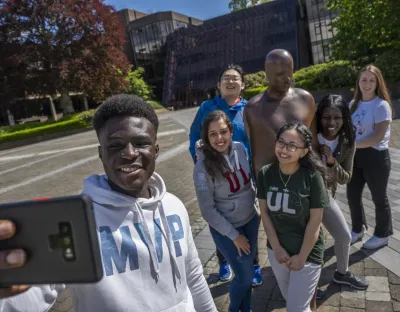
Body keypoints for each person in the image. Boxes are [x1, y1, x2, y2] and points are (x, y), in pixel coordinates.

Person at [0, 94, 217, 312]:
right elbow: (23, 298)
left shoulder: (174, 206)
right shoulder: (77, 223)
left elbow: (194, 276)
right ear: (101, 154)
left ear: (155, 151)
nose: (130, 153)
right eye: (115, 145)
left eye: (141, 143)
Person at [189, 64, 263, 286]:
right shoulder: (206, 107)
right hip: (216, 171)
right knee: (220, 218)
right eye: (226, 78)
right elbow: (195, 137)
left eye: (235, 78)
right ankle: (224, 262)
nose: (231, 82)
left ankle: (255, 264)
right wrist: (205, 165)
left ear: (242, 84)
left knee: (250, 220)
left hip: (243, 172)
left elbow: (257, 140)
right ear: (219, 84)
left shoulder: (249, 108)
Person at [257, 121, 329, 312]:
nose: (284, 149)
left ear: (304, 152)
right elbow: (265, 213)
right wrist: (277, 248)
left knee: (296, 308)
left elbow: (315, 221)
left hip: (308, 252)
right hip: (277, 251)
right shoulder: (265, 173)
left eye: (292, 146)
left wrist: (302, 256)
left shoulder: (313, 177)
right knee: (290, 297)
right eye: (281, 142)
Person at [193, 110, 259, 312]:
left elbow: (249, 183)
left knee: (246, 276)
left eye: (223, 132)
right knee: (245, 277)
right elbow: (208, 211)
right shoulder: (202, 168)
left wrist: (258, 206)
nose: (219, 138)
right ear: (206, 137)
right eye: (213, 134)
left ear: (231, 131)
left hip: (251, 220)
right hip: (228, 229)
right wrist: (234, 236)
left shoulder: (239, 149)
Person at [316, 95, 368, 289]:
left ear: (344, 118)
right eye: (326, 117)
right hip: (303, 197)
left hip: (325, 195)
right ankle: (308, 287)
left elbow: (345, 177)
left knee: (344, 236)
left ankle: (342, 273)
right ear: (319, 117)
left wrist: (331, 162)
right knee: (312, 243)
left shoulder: (348, 141)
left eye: (337, 117)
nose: (331, 122)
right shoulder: (310, 134)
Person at [244, 49, 318, 177]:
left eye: (290, 72)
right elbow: (255, 152)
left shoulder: (305, 99)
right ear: (268, 75)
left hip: (304, 177)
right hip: (273, 182)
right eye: (280, 74)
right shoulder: (254, 108)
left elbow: (314, 142)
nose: (287, 78)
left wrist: (318, 176)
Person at [347, 65, 394, 249]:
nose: (367, 84)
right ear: (358, 82)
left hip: (376, 157)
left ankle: (383, 234)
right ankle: (358, 229)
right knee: (352, 195)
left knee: (379, 198)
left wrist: (352, 145)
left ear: (377, 83)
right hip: (356, 157)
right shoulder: (352, 105)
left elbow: (377, 136)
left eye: (371, 80)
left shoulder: (382, 105)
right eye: (363, 79)